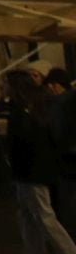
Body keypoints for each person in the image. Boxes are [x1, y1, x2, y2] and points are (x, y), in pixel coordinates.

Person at [5, 69, 76, 254]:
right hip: (31, 170)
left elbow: (26, 142)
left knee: (43, 216)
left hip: (31, 170)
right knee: (30, 215)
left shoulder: (25, 112)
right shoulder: (37, 108)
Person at [47, 66, 76, 232]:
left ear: (55, 84)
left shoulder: (58, 104)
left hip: (65, 156)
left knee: (67, 200)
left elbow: (56, 131)